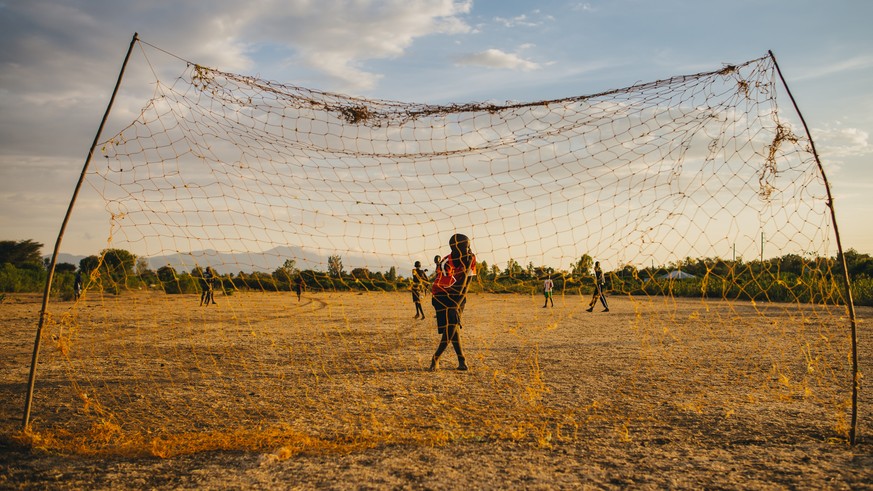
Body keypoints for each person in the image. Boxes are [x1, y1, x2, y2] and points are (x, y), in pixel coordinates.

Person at [429, 234, 476, 371]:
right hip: (441, 295)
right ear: (455, 248)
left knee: (453, 324)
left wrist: (457, 304)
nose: (469, 249)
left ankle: (437, 357)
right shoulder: (445, 263)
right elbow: (451, 287)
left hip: (459, 296)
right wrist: (453, 306)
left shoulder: (471, 258)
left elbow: (466, 284)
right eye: (465, 246)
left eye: (469, 246)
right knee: (451, 326)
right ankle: (460, 359)